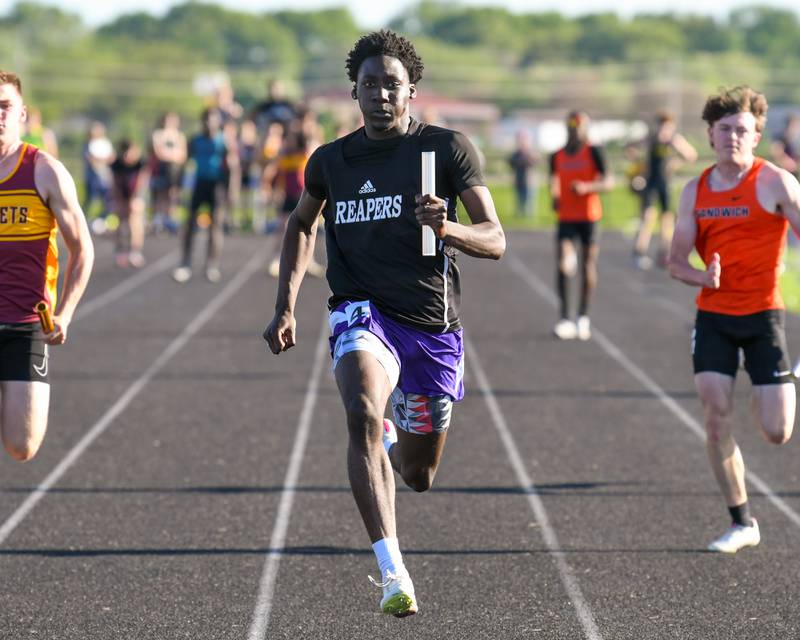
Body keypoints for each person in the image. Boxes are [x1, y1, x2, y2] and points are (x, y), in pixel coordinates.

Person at [263, 30, 505, 617]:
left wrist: (448, 229)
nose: (380, 95)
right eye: (369, 84)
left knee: (418, 475)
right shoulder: (331, 162)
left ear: (411, 92)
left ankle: (395, 449)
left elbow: (496, 239)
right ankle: (392, 570)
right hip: (360, 310)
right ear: (354, 90)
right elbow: (300, 225)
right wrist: (286, 303)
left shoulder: (446, 150)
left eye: (391, 85)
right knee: (363, 410)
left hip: (430, 325)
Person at [668, 86, 800, 553]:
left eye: (742, 130)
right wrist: (704, 278)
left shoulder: (777, 183)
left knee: (777, 431)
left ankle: (764, 391)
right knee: (714, 417)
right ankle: (742, 521)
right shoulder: (695, 191)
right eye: (724, 129)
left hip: (764, 316)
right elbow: (676, 262)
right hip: (715, 317)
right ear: (709, 135)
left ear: (758, 134)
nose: (733, 138)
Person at [0, 70, 94, 461]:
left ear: (22, 113)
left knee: (23, 446)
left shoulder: (44, 171)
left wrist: (66, 314)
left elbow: (82, 250)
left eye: (4, 106)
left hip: (25, 325)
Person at [549, 111, 612, 340]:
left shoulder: (594, 151)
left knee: (588, 266)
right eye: (571, 125)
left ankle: (583, 318)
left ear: (586, 128)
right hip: (566, 217)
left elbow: (609, 181)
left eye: (580, 125)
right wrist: (554, 195)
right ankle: (565, 318)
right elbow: (553, 179)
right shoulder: (557, 155)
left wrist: (587, 188)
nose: (575, 129)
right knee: (564, 264)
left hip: (589, 217)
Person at [632, 111, 697, 269]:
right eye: (662, 126)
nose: (664, 130)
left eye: (668, 127)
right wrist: (639, 167)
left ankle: (664, 254)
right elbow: (632, 148)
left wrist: (675, 163)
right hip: (650, 183)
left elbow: (691, 155)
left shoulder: (674, 141)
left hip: (665, 184)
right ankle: (639, 253)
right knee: (647, 217)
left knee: (666, 220)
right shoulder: (651, 139)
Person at [172, 108, 227, 284]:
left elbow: (233, 166)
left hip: (216, 185)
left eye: (213, 120)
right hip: (200, 184)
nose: (209, 124)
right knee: (190, 224)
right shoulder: (195, 140)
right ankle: (185, 263)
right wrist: (178, 186)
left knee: (215, 225)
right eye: (206, 120)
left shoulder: (223, 141)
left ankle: (211, 265)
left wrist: (231, 190)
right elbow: (185, 162)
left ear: (218, 122)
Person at [110, 138, 148, 268]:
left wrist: (135, 199)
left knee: (135, 220)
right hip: (122, 193)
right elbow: (115, 183)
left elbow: (141, 182)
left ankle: (135, 251)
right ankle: (120, 251)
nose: (128, 157)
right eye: (125, 154)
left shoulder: (141, 163)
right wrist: (120, 200)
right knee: (120, 220)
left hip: (136, 194)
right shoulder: (117, 164)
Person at [149, 112, 186, 235]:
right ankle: (158, 220)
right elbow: (159, 153)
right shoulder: (158, 134)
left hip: (175, 170)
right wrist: (173, 155)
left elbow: (183, 155)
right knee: (160, 194)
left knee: (173, 195)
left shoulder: (179, 136)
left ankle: (170, 220)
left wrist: (170, 155)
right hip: (161, 169)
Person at [82, 121, 114, 233]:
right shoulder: (87, 145)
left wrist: (103, 162)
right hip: (92, 178)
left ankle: (105, 219)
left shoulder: (105, 143)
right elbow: (90, 159)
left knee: (107, 200)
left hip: (105, 177)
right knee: (91, 199)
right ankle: (86, 220)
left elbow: (111, 157)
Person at [508, 129, 539, 217]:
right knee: (519, 199)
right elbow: (511, 163)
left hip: (530, 181)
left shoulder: (531, 153)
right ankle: (520, 214)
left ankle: (529, 216)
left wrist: (526, 158)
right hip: (519, 181)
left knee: (529, 200)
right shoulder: (516, 154)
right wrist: (519, 161)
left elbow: (536, 162)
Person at [771, 114, 799, 178]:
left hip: (793, 174)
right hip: (783, 174)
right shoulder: (780, 138)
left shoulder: (793, 140)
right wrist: (789, 163)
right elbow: (776, 153)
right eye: (794, 126)